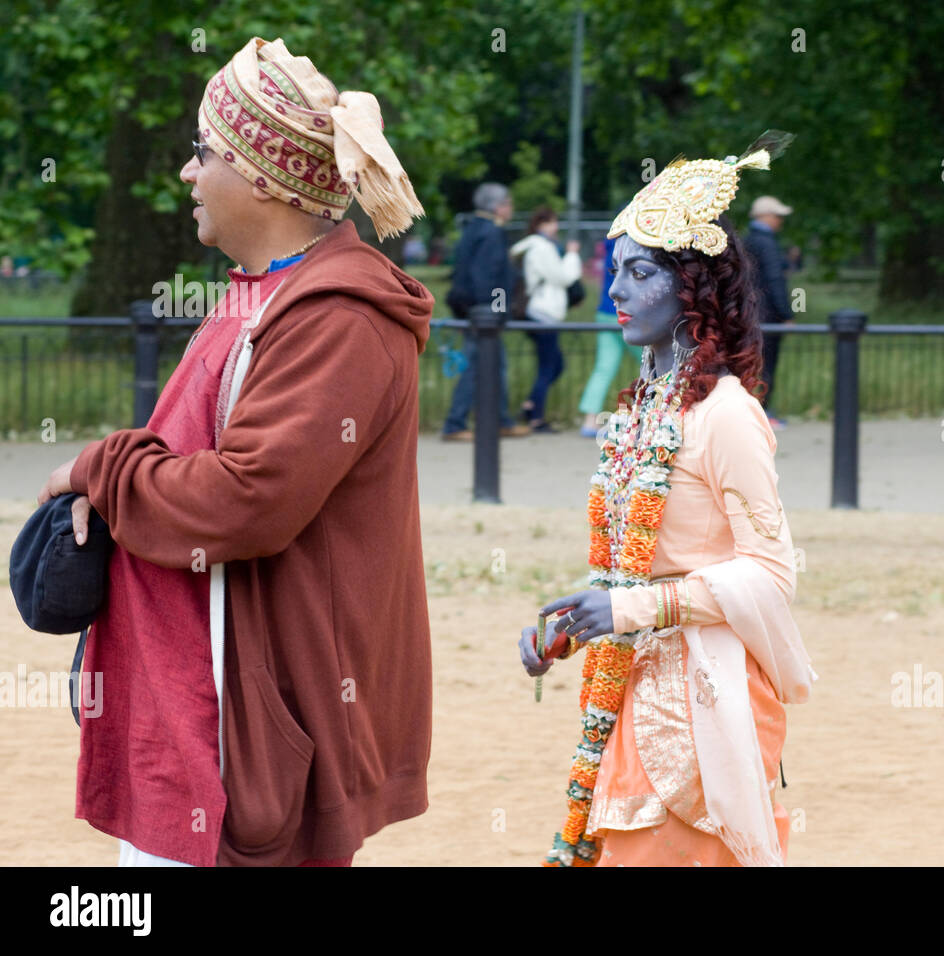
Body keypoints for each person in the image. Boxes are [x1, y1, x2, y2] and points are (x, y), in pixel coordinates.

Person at [36, 36, 433, 867]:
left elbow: (245, 501)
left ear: (262, 173)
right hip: (197, 711)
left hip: (251, 731)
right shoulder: (263, 294)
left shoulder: (337, 317)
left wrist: (95, 471)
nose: (188, 174)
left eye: (202, 152)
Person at [517, 133, 815, 867]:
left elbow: (772, 575)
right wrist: (579, 622)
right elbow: (635, 570)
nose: (615, 291)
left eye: (639, 273)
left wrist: (629, 609)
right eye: (615, 271)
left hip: (702, 700)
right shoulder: (642, 411)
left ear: (693, 290)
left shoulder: (726, 416)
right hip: (635, 687)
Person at [442, 182, 532, 440]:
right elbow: (489, 277)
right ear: (498, 206)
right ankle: (455, 423)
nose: (511, 208)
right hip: (484, 314)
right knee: (476, 366)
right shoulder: (492, 232)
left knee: (494, 365)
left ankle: (501, 419)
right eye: (509, 203)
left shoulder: (471, 229)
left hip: (472, 309)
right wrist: (497, 311)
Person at [509, 206, 582, 432]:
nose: (555, 227)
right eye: (552, 222)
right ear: (542, 224)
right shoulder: (542, 248)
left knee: (552, 364)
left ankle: (531, 406)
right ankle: (535, 417)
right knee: (550, 366)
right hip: (543, 314)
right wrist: (571, 254)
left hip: (539, 312)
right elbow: (563, 277)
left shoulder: (535, 247)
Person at [577, 238, 639, 437]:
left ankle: (589, 421)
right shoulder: (637, 247)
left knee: (604, 368)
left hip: (606, 311)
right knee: (654, 366)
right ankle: (649, 418)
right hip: (629, 312)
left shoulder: (609, 247)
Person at [744, 195, 795, 427]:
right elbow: (775, 279)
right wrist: (786, 313)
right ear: (765, 216)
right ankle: (764, 414)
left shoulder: (746, 240)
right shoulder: (768, 242)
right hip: (768, 315)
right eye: (778, 216)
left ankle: (749, 412)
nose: (780, 221)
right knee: (768, 365)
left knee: (748, 364)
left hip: (749, 312)